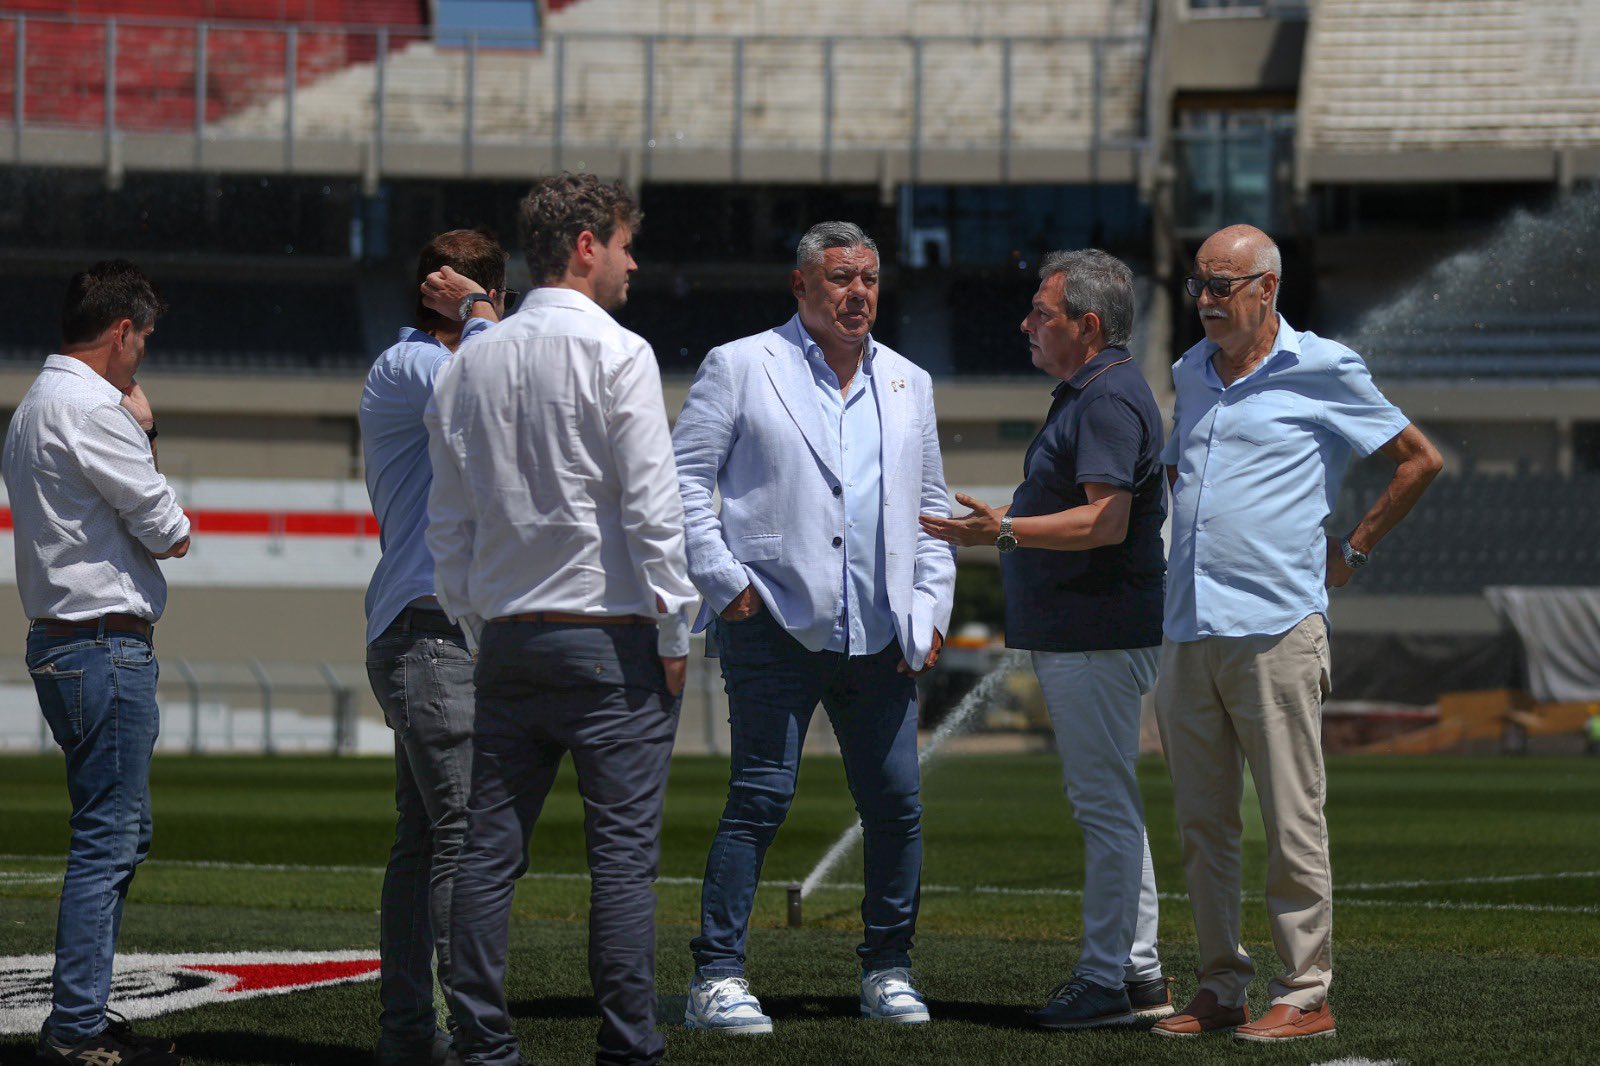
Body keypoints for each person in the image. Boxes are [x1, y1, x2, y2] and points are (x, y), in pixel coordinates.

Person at [425, 173, 695, 1066]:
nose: (631, 260)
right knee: (620, 862)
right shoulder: (619, 352)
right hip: (610, 639)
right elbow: (655, 512)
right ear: (585, 245)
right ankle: (626, 1048)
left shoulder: (469, 362)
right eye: (623, 243)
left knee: (485, 857)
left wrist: (478, 627)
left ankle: (481, 1045)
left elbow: (449, 526)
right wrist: (675, 628)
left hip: (508, 636)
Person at [1152, 224, 1442, 1043]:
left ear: (1267, 289)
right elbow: (1180, 474)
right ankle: (1219, 987)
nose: (1206, 301)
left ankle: (1307, 993)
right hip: (1188, 625)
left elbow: (1418, 459)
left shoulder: (1325, 367)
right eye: (1199, 286)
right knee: (1202, 824)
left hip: (1278, 625)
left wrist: (1352, 551)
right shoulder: (1190, 372)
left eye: (1222, 286)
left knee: (1290, 817)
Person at [673, 221, 956, 1033]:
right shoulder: (739, 364)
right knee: (760, 797)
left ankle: (888, 967)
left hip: (881, 631)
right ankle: (717, 977)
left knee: (897, 803)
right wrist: (726, 585)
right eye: (839, 278)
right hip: (771, 619)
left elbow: (932, 507)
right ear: (801, 286)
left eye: (868, 278)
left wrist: (929, 610)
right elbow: (685, 481)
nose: (857, 292)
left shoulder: (908, 380)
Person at [919, 249, 1173, 1030]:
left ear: (1087, 326)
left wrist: (1002, 532)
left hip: (1095, 632)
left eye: (1042, 313)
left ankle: (1105, 978)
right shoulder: (1099, 392)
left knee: (1103, 806)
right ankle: (1134, 973)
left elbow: (1107, 520)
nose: (1026, 323)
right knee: (1109, 804)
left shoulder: (1104, 399)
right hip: (1091, 632)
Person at [4, 261, 191, 1066]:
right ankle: (75, 1026)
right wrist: (144, 431)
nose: (143, 354)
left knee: (119, 830)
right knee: (109, 838)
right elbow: (169, 529)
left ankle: (82, 1014)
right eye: (143, 339)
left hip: (63, 639)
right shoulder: (93, 408)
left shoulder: (33, 405)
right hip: (102, 641)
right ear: (121, 332)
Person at [359, 228, 509, 1066]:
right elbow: (489, 406)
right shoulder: (413, 363)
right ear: (453, 294)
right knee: (464, 834)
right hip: (429, 633)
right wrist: (482, 312)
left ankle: (411, 1035)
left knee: (427, 840)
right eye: (489, 297)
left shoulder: (428, 364)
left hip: (441, 629)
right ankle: (473, 1037)